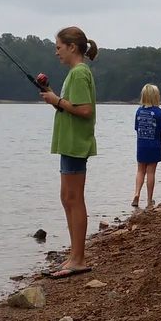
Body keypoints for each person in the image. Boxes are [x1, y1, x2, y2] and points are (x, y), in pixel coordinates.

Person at [40, 26, 97, 277]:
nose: (56, 52)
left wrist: (57, 101)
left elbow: (85, 110)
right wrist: (55, 99)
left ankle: (79, 259)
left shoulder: (80, 73)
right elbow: (71, 107)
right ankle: (74, 255)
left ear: (72, 47)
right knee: (66, 198)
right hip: (69, 143)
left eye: (59, 47)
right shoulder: (74, 74)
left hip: (76, 144)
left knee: (74, 199)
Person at [132, 84, 161, 207]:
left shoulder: (139, 111)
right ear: (155, 97)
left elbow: (136, 128)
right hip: (154, 146)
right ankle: (149, 200)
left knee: (140, 171)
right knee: (151, 172)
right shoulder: (159, 112)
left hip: (141, 145)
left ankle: (136, 194)